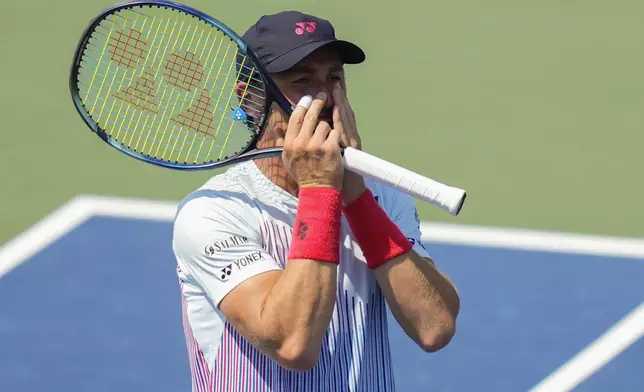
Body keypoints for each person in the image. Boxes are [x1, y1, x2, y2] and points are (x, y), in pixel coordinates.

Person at [172, 10, 460, 392]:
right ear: (252, 98)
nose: (324, 97)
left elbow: (434, 326)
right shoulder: (214, 212)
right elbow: (293, 345)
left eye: (334, 78)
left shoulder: (381, 196)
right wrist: (321, 190)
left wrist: (355, 195)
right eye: (302, 82)